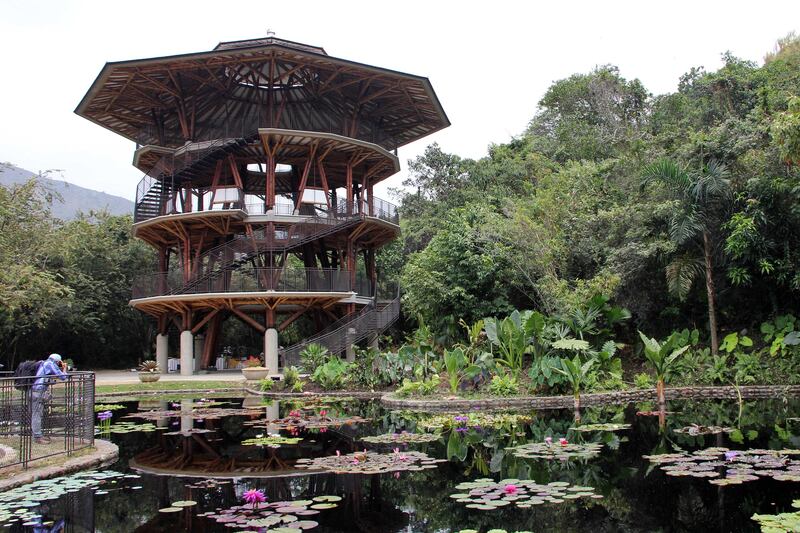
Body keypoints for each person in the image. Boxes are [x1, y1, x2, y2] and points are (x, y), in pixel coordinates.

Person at [30, 353, 67, 444]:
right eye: (59, 362)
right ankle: (38, 437)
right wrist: (64, 368)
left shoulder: (43, 362)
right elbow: (63, 377)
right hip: (37, 392)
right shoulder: (50, 364)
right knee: (37, 414)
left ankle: (38, 435)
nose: (59, 364)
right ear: (57, 361)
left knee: (37, 413)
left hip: (34, 391)